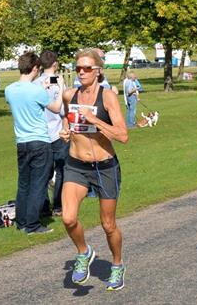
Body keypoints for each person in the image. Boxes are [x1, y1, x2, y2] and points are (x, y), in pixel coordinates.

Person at [59, 49, 129, 290]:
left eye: (87, 68)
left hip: (105, 166)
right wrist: (66, 132)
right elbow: (67, 121)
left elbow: (123, 135)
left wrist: (96, 120)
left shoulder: (107, 96)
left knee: (108, 225)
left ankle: (117, 264)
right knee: (68, 218)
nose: (81, 72)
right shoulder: (69, 95)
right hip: (76, 165)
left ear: (98, 71)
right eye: (78, 68)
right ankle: (83, 252)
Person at [5, 52, 62, 234]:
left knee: (24, 183)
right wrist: (59, 89)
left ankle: (22, 222)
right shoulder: (37, 91)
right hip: (40, 141)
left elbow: (25, 99)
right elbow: (56, 107)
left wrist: (43, 89)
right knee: (39, 184)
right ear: (36, 68)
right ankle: (33, 224)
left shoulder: (9, 89)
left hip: (22, 142)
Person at [33, 51, 68, 216]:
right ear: (55, 64)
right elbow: (63, 109)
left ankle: (44, 206)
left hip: (40, 133)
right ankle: (58, 205)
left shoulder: (35, 83)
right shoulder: (59, 82)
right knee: (61, 169)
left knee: (43, 172)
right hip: (57, 132)